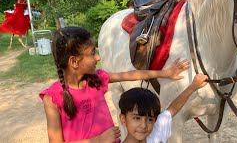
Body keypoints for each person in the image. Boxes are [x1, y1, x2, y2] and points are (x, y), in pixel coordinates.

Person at [39, 26, 189, 143]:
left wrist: (166, 73)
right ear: (74, 62)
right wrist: (97, 140)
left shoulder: (95, 80)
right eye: (92, 53)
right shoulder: (52, 98)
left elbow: (130, 75)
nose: (98, 57)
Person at [119, 74, 208, 143]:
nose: (144, 125)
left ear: (155, 120)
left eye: (150, 119)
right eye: (137, 118)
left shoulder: (155, 133)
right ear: (123, 119)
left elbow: (172, 109)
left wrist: (192, 87)